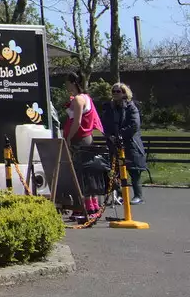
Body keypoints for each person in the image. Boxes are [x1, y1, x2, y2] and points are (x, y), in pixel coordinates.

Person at [61, 74, 104, 217]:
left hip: (80, 139)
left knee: (81, 172)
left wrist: (68, 137)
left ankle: (88, 206)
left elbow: (77, 122)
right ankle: (87, 204)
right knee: (83, 171)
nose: (66, 86)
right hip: (83, 138)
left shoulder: (80, 99)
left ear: (73, 83)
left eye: (67, 83)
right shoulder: (83, 98)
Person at [100, 82, 147, 205]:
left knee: (134, 171)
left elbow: (134, 125)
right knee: (115, 170)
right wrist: (110, 135)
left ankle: (138, 195)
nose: (115, 94)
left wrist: (121, 134)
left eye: (118, 91)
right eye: (113, 91)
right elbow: (104, 124)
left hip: (130, 143)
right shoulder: (109, 108)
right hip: (114, 143)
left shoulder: (131, 107)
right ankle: (120, 195)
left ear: (124, 93)